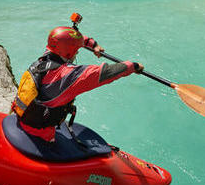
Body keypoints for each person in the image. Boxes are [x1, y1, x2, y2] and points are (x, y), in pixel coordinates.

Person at [11, 25, 143, 142]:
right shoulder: (69, 75)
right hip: (41, 134)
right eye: (77, 49)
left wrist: (93, 44)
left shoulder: (45, 58)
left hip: (23, 118)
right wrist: (134, 66)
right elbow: (106, 73)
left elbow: (69, 39)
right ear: (70, 51)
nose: (78, 51)